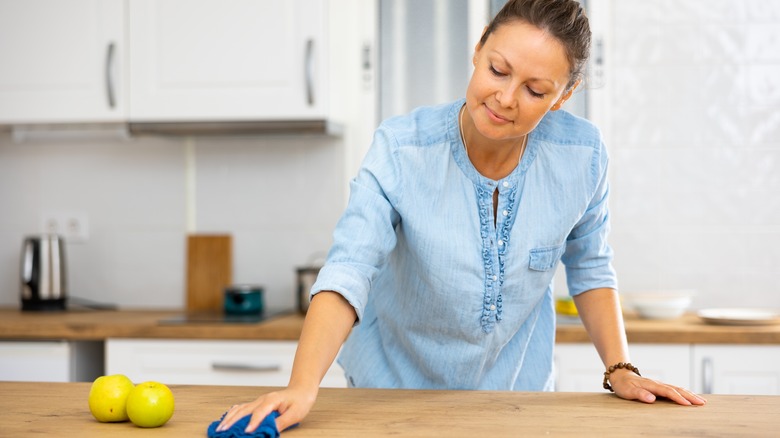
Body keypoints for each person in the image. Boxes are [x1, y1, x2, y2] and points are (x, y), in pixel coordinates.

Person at [217, 0, 706, 433]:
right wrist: (303, 387)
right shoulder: (401, 148)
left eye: (536, 90)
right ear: (477, 50)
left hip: (515, 402)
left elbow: (591, 268)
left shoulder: (582, 156)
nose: (506, 98)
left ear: (563, 96)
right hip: (388, 394)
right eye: (498, 70)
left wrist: (620, 368)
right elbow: (349, 268)